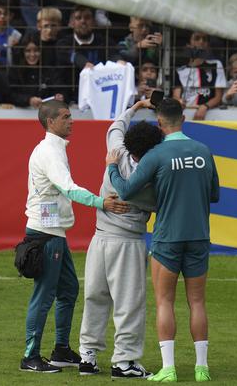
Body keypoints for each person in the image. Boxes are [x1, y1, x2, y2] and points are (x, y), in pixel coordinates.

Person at [107, 98, 219, 382]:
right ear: (183, 118)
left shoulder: (157, 155)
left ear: (160, 123)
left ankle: (168, 368)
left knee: (165, 302)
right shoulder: (203, 151)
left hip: (168, 237)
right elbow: (214, 194)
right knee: (198, 302)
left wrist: (111, 168)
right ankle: (201, 368)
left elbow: (127, 190)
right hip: (199, 235)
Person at [20, 99, 130, 373]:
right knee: (44, 296)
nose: (72, 120)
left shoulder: (52, 148)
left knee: (69, 289)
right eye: (66, 116)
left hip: (52, 231)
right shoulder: (50, 152)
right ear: (51, 122)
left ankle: (60, 350)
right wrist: (101, 202)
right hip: (46, 233)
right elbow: (69, 189)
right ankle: (30, 356)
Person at [79, 101, 163, 379]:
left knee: (95, 297)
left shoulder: (116, 151)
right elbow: (151, 201)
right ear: (155, 149)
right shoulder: (150, 180)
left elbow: (116, 127)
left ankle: (87, 356)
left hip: (99, 238)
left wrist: (136, 106)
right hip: (127, 242)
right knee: (129, 303)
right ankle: (124, 361)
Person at [173, 31, 226, 120]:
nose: (201, 42)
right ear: (188, 44)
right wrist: (179, 101)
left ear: (208, 45)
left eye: (204, 39)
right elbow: (176, 95)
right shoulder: (179, 71)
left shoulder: (216, 65)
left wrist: (205, 107)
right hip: (185, 114)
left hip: (208, 115)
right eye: (197, 38)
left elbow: (218, 97)